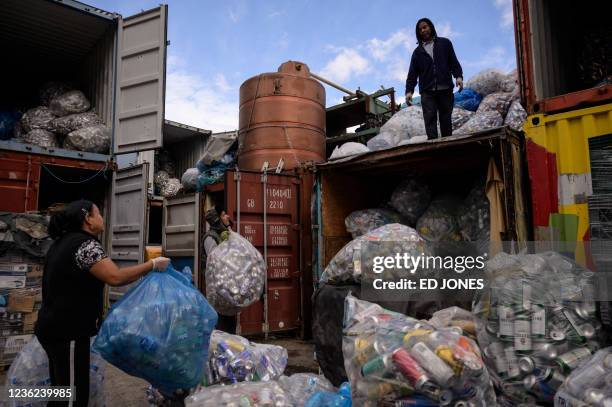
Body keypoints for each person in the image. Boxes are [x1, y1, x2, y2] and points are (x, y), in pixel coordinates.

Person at [35, 199, 170, 407]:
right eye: (98, 214)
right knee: (73, 396)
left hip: (52, 328)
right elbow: (115, 277)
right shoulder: (85, 244)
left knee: (61, 390)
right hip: (67, 332)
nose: (102, 218)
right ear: (87, 219)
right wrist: (152, 264)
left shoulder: (61, 242)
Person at [405, 17, 464, 139]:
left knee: (445, 118)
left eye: (425, 27)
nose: (423, 30)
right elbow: (412, 74)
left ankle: (447, 144)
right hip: (427, 91)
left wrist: (458, 76)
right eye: (420, 29)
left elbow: (453, 61)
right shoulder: (417, 52)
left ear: (430, 27)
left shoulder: (445, 43)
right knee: (430, 119)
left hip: (445, 87)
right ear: (418, 33)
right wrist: (409, 91)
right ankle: (433, 146)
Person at [202, 208, 237, 334]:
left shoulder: (224, 234)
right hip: (218, 289)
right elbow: (215, 261)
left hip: (227, 286)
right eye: (223, 215)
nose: (227, 216)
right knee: (222, 324)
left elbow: (236, 244)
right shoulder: (210, 238)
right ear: (217, 219)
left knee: (230, 323)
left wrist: (228, 226)